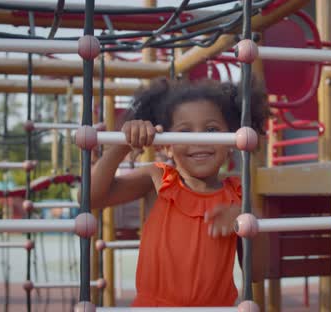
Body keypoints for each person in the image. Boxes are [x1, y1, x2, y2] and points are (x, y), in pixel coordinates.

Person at [89, 77, 269, 307]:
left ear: (231, 139)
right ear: (167, 146)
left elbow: (257, 273)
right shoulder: (158, 180)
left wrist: (249, 223)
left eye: (211, 130)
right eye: (185, 131)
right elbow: (91, 197)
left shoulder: (239, 196)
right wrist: (122, 144)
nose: (199, 141)